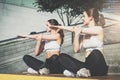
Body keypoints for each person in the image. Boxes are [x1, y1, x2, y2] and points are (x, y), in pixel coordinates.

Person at [50, 8, 108, 77]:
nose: (82, 18)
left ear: (90, 18)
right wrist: (77, 35)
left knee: (96, 52)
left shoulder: (99, 29)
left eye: (84, 16)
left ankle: (76, 71)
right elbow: (76, 50)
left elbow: (75, 29)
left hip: (99, 67)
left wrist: (58, 27)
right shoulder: (82, 33)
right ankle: (82, 71)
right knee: (62, 56)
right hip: (87, 67)